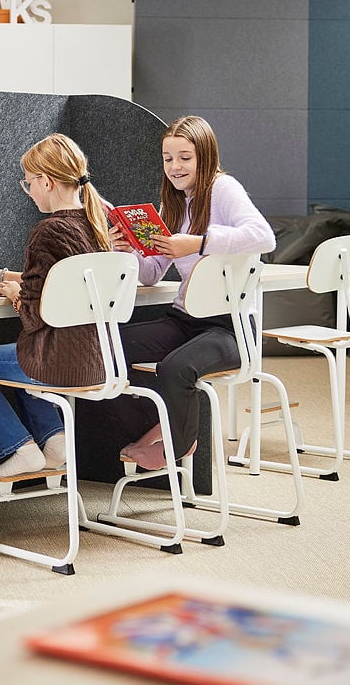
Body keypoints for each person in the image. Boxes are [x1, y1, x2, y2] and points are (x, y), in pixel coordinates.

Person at [109, 115, 276, 470]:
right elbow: (152, 274)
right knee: (107, 348)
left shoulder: (223, 188)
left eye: (184, 157)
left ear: (205, 156)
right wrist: (125, 251)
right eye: (168, 158)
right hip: (185, 318)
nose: (175, 166)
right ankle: (162, 424)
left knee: (175, 369)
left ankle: (177, 446)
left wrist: (197, 244)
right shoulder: (173, 203)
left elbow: (263, 236)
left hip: (228, 328)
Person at [0, 133, 111, 478]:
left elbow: (34, 314)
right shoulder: (93, 222)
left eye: (28, 183)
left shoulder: (48, 230)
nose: (28, 191)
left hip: (61, 362)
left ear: (45, 182)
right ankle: (53, 439)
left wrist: (16, 294)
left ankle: (16, 447)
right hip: (99, 358)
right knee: (21, 354)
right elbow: (59, 281)